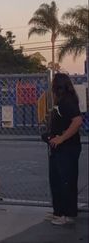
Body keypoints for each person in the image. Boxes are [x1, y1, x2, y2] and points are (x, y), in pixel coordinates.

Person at [42, 73, 82, 225]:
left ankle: (67, 214)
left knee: (67, 181)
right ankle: (58, 212)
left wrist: (62, 138)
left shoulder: (68, 101)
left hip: (68, 148)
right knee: (56, 180)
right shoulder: (59, 101)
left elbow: (77, 121)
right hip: (58, 148)